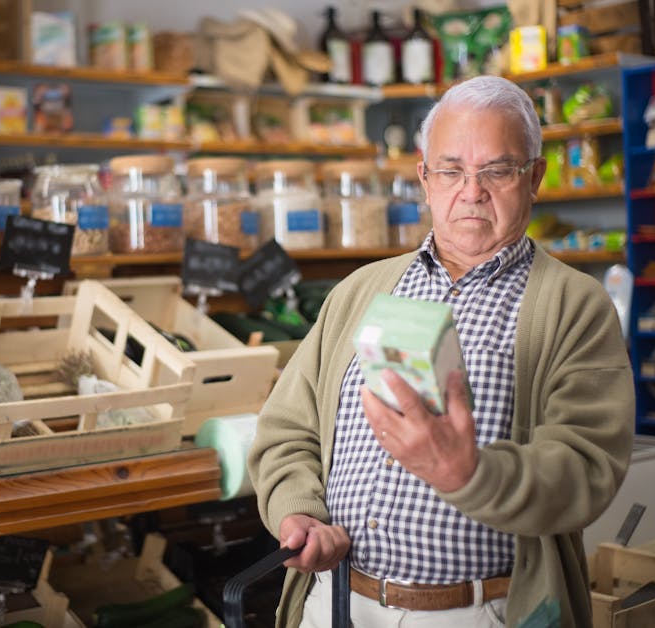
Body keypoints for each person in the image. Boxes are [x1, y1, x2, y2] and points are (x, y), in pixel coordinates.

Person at [247, 74, 634, 628]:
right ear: (425, 179)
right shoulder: (362, 290)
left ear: (535, 178)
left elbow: (585, 468)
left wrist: (468, 472)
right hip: (336, 603)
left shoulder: (575, 306)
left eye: (497, 170)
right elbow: (287, 430)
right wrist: (299, 513)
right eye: (451, 170)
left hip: (480, 610)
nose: (470, 191)